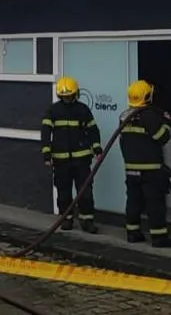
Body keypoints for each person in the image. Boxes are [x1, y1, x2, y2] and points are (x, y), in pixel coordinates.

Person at [119, 79, 171, 248]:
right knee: (155, 204)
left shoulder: (124, 116)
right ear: (147, 96)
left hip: (131, 169)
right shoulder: (150, 115)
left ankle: (133, 233)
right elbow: (162, 137)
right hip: (151, 169)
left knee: (134, 202)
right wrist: (166, 123)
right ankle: (159, 238)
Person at [41, 76, 102, 233]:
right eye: (64, 96)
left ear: (75, 94)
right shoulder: (53, 110)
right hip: (61, 160)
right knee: (63, 191)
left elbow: (93, 130)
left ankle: (87, 220)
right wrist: (46, 153)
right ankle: (66, 219)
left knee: (85, 191)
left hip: (82, 160)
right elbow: (46, 132)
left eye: (69, 96)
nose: (67, 99)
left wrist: (97, 148)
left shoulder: (83, 110)